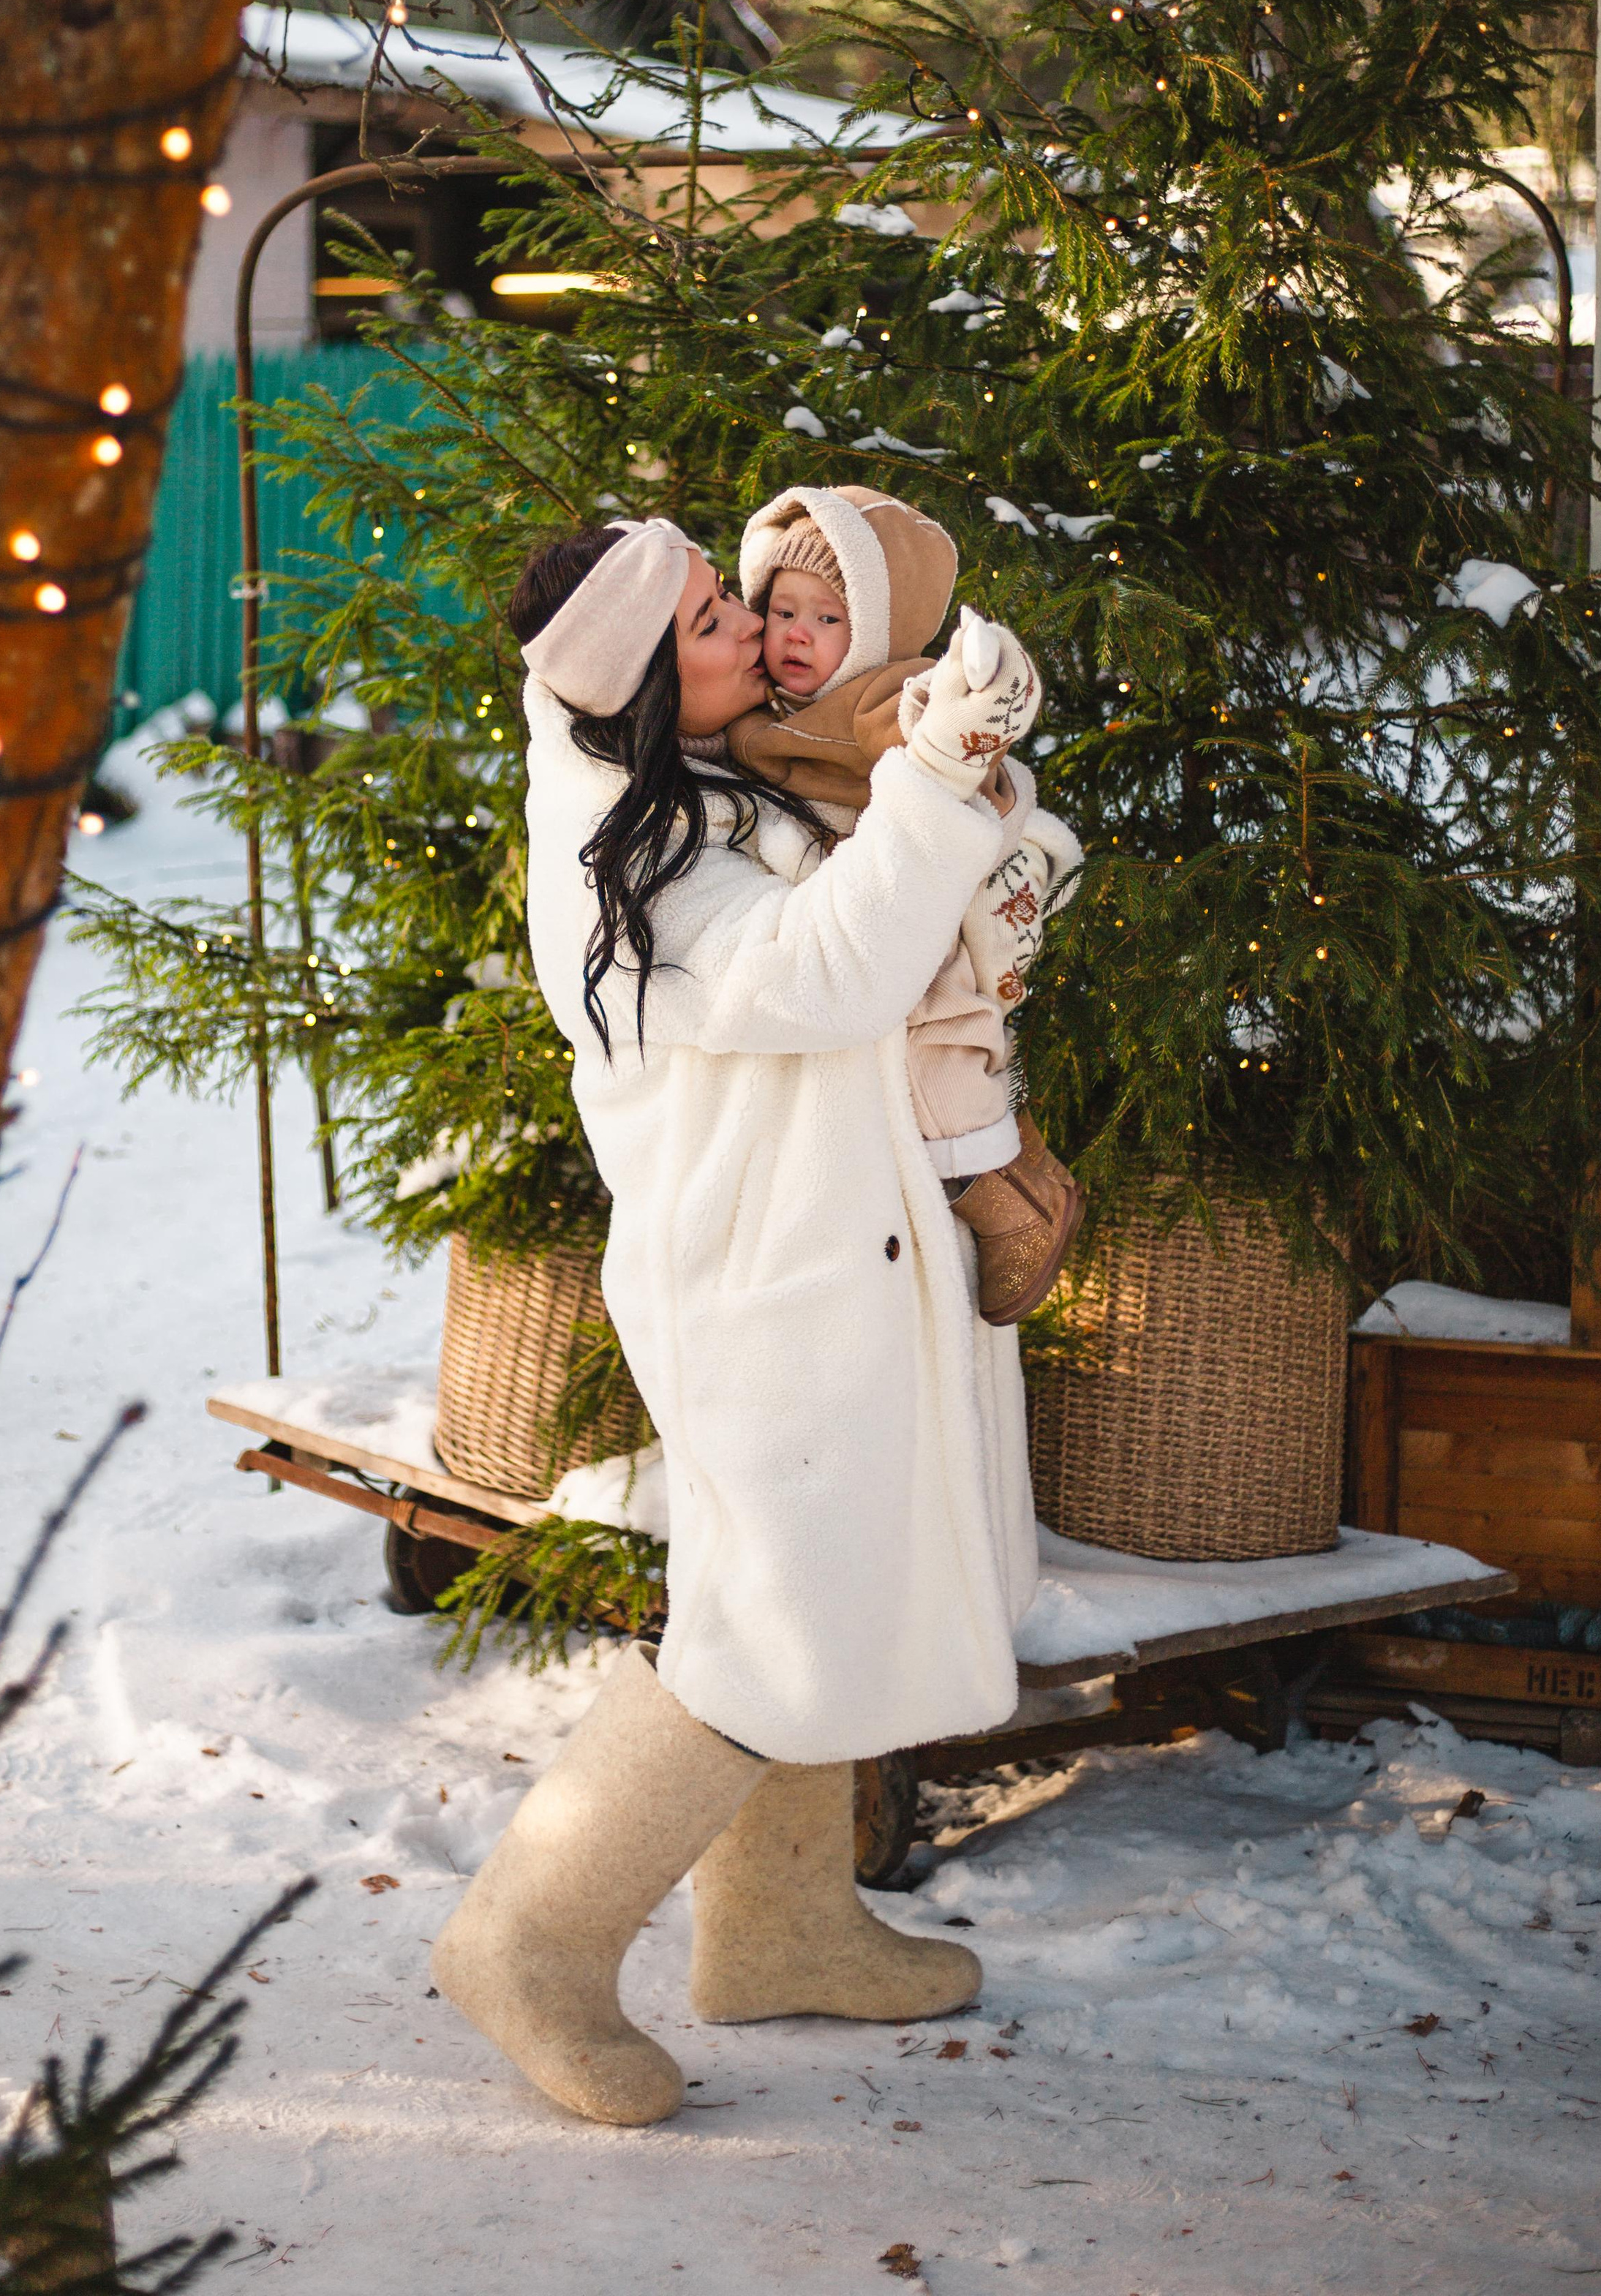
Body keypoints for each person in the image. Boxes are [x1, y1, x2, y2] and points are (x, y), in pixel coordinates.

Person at [432, 516, 1042, 2129]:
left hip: (831, 1245)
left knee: (807, 1596)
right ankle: (529, 1939)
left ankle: (777, 1927)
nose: (748, 635)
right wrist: (930, 782)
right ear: (637, 680)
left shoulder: (700, 779)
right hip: (756, 1279)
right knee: (762, 1627)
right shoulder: (622, 852)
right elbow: (821, 974)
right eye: (711, 621)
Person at [726, 483, 1085, 1323]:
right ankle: (1009, 1169)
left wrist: (966, 701)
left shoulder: (882, 694)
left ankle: (1010, 1198)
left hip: (926, 898)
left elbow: (941, 727)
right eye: (784, 611)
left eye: (828, 618)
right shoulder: (766, 709)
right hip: (850, 900)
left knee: (938, 1053)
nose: (797, 636)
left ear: (877, 632)